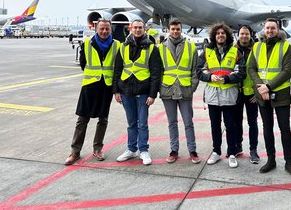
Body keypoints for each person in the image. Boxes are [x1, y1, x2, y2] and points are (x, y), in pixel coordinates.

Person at [248, 18, 291, 178]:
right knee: (267, 128)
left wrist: (268, 86)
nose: (270, 30)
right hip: (262, 94)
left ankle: (289, 163)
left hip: (281, 94)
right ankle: (271, 160)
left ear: (278, 30)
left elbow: (287, 71)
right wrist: (260, 87)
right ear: (263, 29)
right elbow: (251, 68)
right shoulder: (256, 46)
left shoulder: (285, 46)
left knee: (285, 129)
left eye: (273, 28)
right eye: (267, 28)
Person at [65, 19, 120, 165]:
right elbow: (83, 63)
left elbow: (118, 66)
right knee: (82, 119)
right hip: (90, 85)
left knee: (103, 119)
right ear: (96, 29)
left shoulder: (116, 45)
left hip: (106, 86)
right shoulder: (87, 43)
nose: (104, 32)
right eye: (102, 29)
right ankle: (75, 151)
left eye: (107, 29)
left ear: (111, 30)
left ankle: (98, 148)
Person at [113, 19, 162, 165]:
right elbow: (117, 70)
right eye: (135, 28)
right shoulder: (122, 47)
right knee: (131, 123)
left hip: (143, 91)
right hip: (126, 90)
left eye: (140, 28)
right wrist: (116, 91)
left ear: (145, 29)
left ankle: (144, 150)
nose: (138, 30)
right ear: (130, 29)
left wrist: (153, 94)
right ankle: (131, 149)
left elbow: (155, 73)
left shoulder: (152, 48)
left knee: (143, 123)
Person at [198, 22, 245, 168]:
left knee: (230, 125)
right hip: (213, 96)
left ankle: (231, 153)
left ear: (227, 36)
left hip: (229, 95)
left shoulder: (235, 52)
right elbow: (198, 70)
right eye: (218, 33)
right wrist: (209, 77)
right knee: (215, 126)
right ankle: (216, 151)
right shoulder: (207, 51)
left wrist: (227, 79)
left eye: (223, 33)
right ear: (214, 36)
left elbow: (241, 72)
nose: (220, 35)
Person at [158, 19, 201, 164]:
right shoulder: (161, 48)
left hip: (185, 89)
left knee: (188, 122)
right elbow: (157, 71)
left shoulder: (191, 47)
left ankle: (192, 150)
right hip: (168, 89)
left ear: (181, 30)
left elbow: (195, 70)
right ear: (168, 30)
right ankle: (174, 150)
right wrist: (160, 87)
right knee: (172, 122)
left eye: (178, 29)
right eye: (173, 29)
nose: (175, 31)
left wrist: (192, 87)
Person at [234, 25, 260, 164]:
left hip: (251, 93)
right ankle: (238, 146)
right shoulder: (232, 50)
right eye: (242, 34)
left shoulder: (257, 50)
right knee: (237, 122)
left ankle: (253, 150)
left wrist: (258, 92)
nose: (244, 36)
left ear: (251, 35)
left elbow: (261, 71)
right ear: (238, 35)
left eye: (247, 34)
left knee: (252, 123)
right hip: (237, 93)